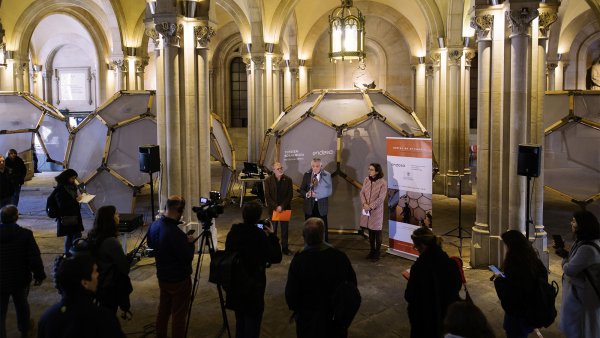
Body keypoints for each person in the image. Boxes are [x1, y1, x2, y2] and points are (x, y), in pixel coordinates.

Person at [286, 217, 357, 338]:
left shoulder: (299, 261)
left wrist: (298, 311)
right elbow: (352, 286)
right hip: (333, 320)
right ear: (323, 235)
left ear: (304, 237)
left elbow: (291, 294)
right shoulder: (339, 257)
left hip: (307, 321)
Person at [225, 201, 282, 338]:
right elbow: (275, 257)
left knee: (240, 322)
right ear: (258, 218)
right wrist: (272, 236)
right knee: (252, 324)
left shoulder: (234, 232)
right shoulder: (259, 236)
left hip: (237, 283)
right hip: (253, 286)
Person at [38, 254, 126, 338]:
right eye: (95, 272)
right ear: (85, 283)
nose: (98, 274)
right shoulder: (104, 318)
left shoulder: (47, 317)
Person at [147, 195, 195, 338]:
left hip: (162, 276)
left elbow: (151, 244)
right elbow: (187, 257)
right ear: (179, 211)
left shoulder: (154, 225)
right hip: (179, 280)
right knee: (178, 316)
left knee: (163, 311)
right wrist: (190, 244)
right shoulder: (175, 233)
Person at [405, 226, 462, 338]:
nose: (416, 250)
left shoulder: (419, 267)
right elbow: (457, 286)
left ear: (422, 246)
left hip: (425, 318)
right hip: (447, 316)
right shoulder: (450, 263)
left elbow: (409, 295)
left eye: (416, 247)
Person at [0, 205, 46, 338]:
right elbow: (34, 257)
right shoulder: (25, 234)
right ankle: (25, 330)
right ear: (16, 217)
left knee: (1, 311)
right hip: (19, 278)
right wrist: (39, 275)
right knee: (21, 305)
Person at [493, 230, 548, 338]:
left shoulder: (515, 267)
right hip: (531, 309)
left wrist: (499, 280)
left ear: (512, 248)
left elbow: (509, 297)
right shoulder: (535, 261)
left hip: (517, 314)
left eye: (507, 246)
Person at [558, 210, 600, 337]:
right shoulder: (583, 242)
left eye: (574, 221)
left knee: (581, 328)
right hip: (580, 294)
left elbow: (569, 269)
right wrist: (566, 254)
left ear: (583, 225)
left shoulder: (587, 248)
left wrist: (564, 259)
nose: (571, 223)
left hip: (582, 297)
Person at [87, 205, 132, 314]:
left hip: (97, 284)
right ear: (110, 219)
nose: (119, 216)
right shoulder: (111, 242)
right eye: (116, 214)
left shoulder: (93, 236)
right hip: (108, 287)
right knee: (109, 315)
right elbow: (124, 268)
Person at [264, 162, 294, 255]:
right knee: (273, 231)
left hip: (285, 209)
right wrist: (276, 207)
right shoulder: (268, 181)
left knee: (285, 231)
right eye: (278, 169)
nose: (280, 170)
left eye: (281, 168)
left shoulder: (288, 180)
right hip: (274, 210)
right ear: (273, 170)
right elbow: (267, 196)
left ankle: (285, 248)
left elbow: (290, 195)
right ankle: (273, 249)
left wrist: (282, 206)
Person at [299, 158, 332, 242]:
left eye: (317, 166)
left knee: (322, 227)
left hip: (321, 206)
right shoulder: (307, 175)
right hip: (309, 206)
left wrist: (316, 195)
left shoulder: (327, 175)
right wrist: (307, 194)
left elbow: (329, 191)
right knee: (309, 228)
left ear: (321, 166)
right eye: (313, 166)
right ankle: (309, 245)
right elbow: (302, 189)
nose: (315, 168)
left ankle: (324, 246)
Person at [359, 163, 386, 261]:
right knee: (370, 232)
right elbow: (362, 192)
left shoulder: (382, 182)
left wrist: (370, 207)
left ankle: (377, 253)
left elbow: (381, 198)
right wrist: (364, 204)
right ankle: (372, 251)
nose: (369, 171)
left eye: (371, 169)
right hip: (366, 209)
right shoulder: (367, 179)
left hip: (376, 211)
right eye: (369, 169)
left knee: (377, 232)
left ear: (377, 171)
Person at [53, 169, 84, 254]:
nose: (74, 180)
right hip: (68, 216)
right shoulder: (61, 189)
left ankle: (69, 254)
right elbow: (62, 205)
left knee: (73, 235)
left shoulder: (71, 186)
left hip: (74, 215)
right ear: (67, 177)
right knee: (73, 235)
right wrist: (76, 200)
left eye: (75, 178)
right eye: (72, 178)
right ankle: (69, 253)